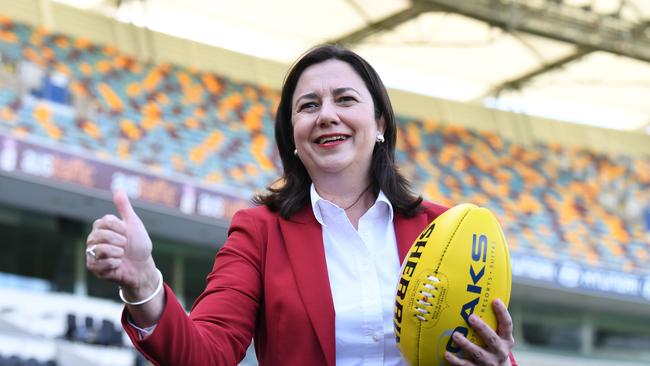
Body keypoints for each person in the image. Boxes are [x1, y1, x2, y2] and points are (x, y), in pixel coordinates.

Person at [85, 44, 517, 366]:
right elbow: (207, 354)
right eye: (309, 106)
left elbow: (486, 345)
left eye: (345, 100)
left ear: (380, 122)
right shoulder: (260, 232)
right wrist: (144, 285)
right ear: (293, 135)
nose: (327, 115)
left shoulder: (446, 230)